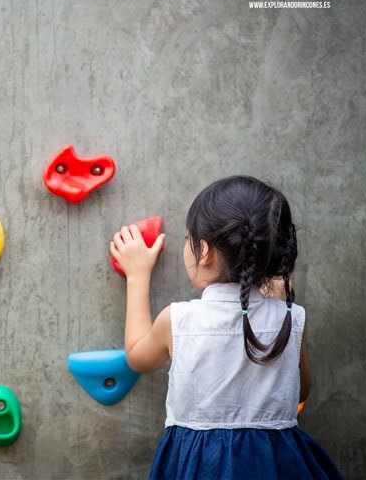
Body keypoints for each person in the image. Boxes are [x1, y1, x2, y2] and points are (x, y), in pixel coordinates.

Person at [110, 175, 342, 479]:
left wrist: (137, 276)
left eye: (186, 239)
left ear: (203, 251)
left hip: (200, 468)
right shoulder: (291, 317)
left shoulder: (179, 320)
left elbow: (138, 357)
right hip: (278, 465)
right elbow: (301, 390)